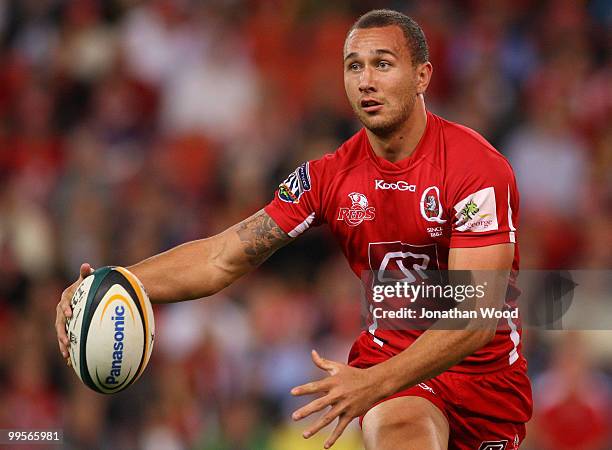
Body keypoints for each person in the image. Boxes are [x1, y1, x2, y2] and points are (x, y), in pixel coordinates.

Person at [55, 9, 532, 450]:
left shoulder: (476, 169)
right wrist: (114, 281)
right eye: (353, 67)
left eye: (382, 64)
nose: (365, 81)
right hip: (394, 373)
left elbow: (476, 317)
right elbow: (221, 257)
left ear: (422, 75)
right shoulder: (327, 178)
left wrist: (372, 383)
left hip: (486, 381)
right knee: (403, 428)